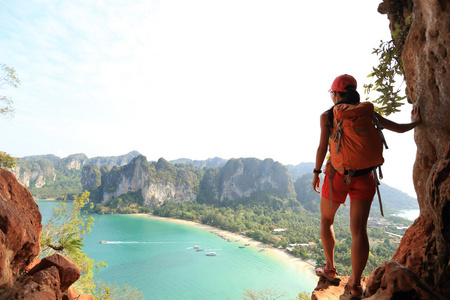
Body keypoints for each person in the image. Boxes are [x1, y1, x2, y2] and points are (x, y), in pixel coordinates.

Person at [312, 74, 421, 298]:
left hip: (337, 176)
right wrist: (417, 121)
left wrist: (316, 172)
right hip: (365, 177)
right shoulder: (366, 112)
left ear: (335, 94)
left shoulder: (328, 116)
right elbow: (399, 128)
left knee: (326, 220)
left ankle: (330, 269)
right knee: (359, 230)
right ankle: (354, 285)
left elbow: (323, 147)